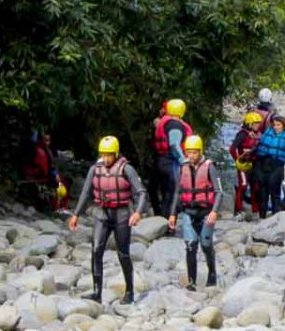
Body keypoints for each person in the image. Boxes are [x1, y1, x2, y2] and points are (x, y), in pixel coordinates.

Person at [68, 135, 146, 302]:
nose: (106, 158)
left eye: (109, 154)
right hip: (102, 213)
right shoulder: (95, 169)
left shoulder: (126, 169)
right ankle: (97, 293)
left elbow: (141, 192)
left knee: (123, 253)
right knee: (96, 250)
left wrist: (137, 212)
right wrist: (76, 214)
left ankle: (129, 292)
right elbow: (85, 193)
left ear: (116, 153)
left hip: (122, 214)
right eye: (103, 154)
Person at [167, 135, 222, 288]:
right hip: (189, 212)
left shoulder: (209, 167)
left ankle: (212, 273)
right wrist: (173, 214)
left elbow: (218, 192)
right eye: (188, 153)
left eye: (194, 153)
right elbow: (178, 192)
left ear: (200, 152)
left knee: (205, 245)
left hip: (206, 212)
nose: (191, 156)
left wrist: (214, 211)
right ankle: (191, 281)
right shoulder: (182, 167)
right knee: (191, 246)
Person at [148, 98, 191, 212]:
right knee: (170, 192)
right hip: (170, 162)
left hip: (159, 160)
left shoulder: (163, 122)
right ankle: (167, 222)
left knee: (156, 188)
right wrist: (183, 160)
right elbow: (174, 145)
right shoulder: (175, 125)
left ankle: (159, 215)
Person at [253, 114, 285, 217]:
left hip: (277, 166)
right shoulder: (268, 132)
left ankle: (275, 217)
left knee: (275, 194)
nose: (276, 127)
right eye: (274, 125)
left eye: (278, 125)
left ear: (283, 126)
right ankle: (261, 217)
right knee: (263, 193)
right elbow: (257, 147)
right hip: (263, 165)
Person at [228, 110, 262, 215]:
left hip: (255, 164)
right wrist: (237, 160)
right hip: (243, 164)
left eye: (258, 123)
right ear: (249, 124)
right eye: (255, 123)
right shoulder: (242, 134)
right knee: (243, 185)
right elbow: (232, 148)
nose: (258, 125)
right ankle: (238, 211)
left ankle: (255, 209)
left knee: (255, 186)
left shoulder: (259, 134)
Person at [19, 132, 62, 214]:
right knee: (57, 182)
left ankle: (53, 205)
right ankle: (54, 207)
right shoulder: (40, 150)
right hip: (39, 174)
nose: (47, 142)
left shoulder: (40, 149)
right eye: (46, 140)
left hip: (36, 172)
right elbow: (44, 168)